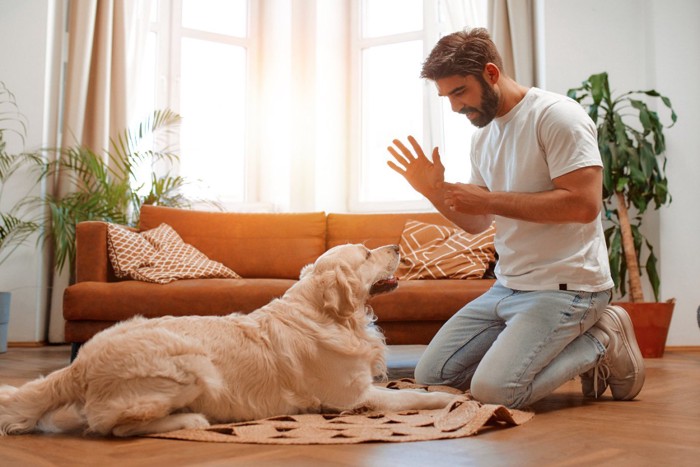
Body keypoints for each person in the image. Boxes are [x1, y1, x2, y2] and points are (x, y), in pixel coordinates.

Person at [386, 28, 645, 409]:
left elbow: (583, 205)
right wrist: (433, 191)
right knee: (432, 378)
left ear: (491, 73)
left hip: (570, 287)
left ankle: (602, 338)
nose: (455, 107)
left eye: (460, 92)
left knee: (495, 392)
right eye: (447, 97)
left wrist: (490, 199)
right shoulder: (483, 136)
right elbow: (478, 221)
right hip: (507, 287)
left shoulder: (557, 117)